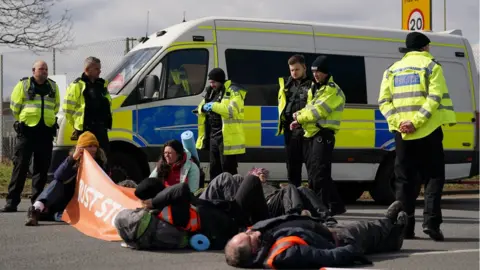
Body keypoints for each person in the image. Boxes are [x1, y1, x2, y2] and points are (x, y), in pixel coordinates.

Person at [378, 32, 456, 241]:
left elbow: (384, 101)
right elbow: (435, 97)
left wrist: (399, 123)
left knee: (404, 180)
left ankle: (405, 227)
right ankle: (431, 223)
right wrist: (416, 121)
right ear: (424, 47)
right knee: (434, 176)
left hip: (402, 135)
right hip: (428, 131)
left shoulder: (392, 70)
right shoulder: (432, 66)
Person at [224, 201, 406, 269]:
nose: (250, 232)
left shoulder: (261, 236)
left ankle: (391, 232)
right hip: (335, 241)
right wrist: (350, 251)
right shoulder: (283, 254)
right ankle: (391, 229)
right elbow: (325, 257)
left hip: (320, 229)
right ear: (254, 249)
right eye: (248, 236)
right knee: (365, 230)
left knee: (368, 235)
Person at [120, 174, 269, 250]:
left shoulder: (164, 210)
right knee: (251, 180)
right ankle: (267, 229)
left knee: (234, 178)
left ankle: (256, 219)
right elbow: (182, 189)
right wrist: (154, 202)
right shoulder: (171, 210)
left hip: (218, 215)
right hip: (227, 224)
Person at [2, 60, 60, 213]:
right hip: (27, 130)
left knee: (42, 169)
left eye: (46, 69)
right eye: (41, 69)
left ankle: (37, 203)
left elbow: (56, 106)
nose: (44, 71)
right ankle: (12, 202)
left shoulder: (53, 87)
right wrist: (26, 118)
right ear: (33, 70)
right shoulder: (23, 85)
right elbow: (15, 106)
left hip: (46, 131)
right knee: (20, 166)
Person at [292, 55, 346, 216]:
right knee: (318, 174)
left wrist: (299, 117)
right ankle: (336, 205)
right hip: (312, 134)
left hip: (323, 135)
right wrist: (299, 117)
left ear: (326, 72)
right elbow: (310, 107)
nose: (316, 75)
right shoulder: (316, 88)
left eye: (319, 72)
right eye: (314, 71)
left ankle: (320, 210)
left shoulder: (332, 90)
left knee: (319, 175)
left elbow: (318, 111)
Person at [25, 132, 108, 226]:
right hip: (67, 198)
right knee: (56, 183)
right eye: (89, 146)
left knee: (64, 216)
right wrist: (73, 158)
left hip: (85, 201)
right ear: (80, 148)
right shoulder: (73, 161)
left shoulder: (100, 163)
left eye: (94, 146)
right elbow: (58, 175)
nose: (93, 149)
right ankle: (35, 210)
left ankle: (52, 214)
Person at [200, 168, 334, 221]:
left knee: (302, 189)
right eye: (258, 173)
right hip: (266, 205)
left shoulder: (270, 185)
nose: (262, 175)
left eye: (264, 174)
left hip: (276, 200)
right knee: (290, 187)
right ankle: (294, 216)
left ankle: (327, 218)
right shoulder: (246, 182)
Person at [195, 68, 247, 180]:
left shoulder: (234, 91)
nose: (212, 84)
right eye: (210, 82)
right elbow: (200, 107)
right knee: (214, 169)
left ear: (220, 80)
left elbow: (231, 111)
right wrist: (203, 108)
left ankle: (232, 194)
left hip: (226, 137)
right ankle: (215, 194)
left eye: (213, 82)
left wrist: (213, 106)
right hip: (213, 136)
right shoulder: (211, 91)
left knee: (228, 169)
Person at [63, 56, 112, 154]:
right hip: (85, 129)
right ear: (87, 69)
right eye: (97, 69)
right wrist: (76, 125)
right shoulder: (77, 85)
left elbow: (108, 103)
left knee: (104, 157)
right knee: (85, 157)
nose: (100, 71)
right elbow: (67, 109)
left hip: (101, 129)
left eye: (100, 68)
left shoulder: (102, 85)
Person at [276, 55, 312, 187]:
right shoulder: (286, 84)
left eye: (297, 69)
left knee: (311, 167)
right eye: (291, 70)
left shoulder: (312, 84)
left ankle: (312, 198)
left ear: (304, 68)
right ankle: (294, 196)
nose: (294, 73)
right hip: (290, 131)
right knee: (292, 167)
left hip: (307, 131)